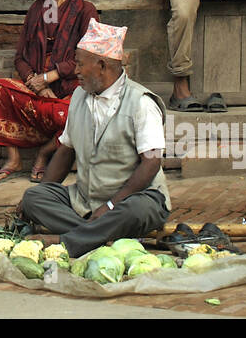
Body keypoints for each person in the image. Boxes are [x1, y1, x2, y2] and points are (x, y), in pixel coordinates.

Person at [17, 20, 171, 258]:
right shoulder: (79, 95)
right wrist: (40, 199)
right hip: (86, 200)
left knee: (138, 211)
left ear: (101, 65)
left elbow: (151, 163)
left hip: (133, 199)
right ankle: (98, 236)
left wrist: (111, 206)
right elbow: (65, 150)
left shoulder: (141, 102)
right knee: (34, 197)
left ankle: (70, 241)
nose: (75, 70)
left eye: (79, 64)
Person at [0, 0, 98, 183]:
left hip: (68, 94)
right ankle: (14, 159)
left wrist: (49, 77)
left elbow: (89, 56)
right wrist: (35, 82)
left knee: (82, 115)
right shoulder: (38, 9)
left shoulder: (86, 11)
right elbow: (20, 58)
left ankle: (44, 154)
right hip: (38, 91)